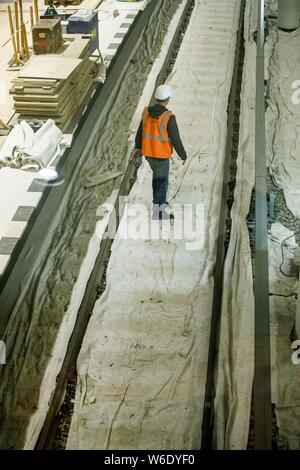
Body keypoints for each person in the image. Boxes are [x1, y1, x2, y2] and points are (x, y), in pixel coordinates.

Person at [133, 84, 187, 220]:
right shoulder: (168, 117)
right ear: (167, 99)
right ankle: (159, 212)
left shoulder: (146, 112)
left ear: (156, 98)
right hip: (161, 156)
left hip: (149, 154)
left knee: (157, 179)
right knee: (161, 182)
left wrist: (138, 147)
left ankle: (159, 202)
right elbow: (176, 139)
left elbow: (140, 131)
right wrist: (183, 154)